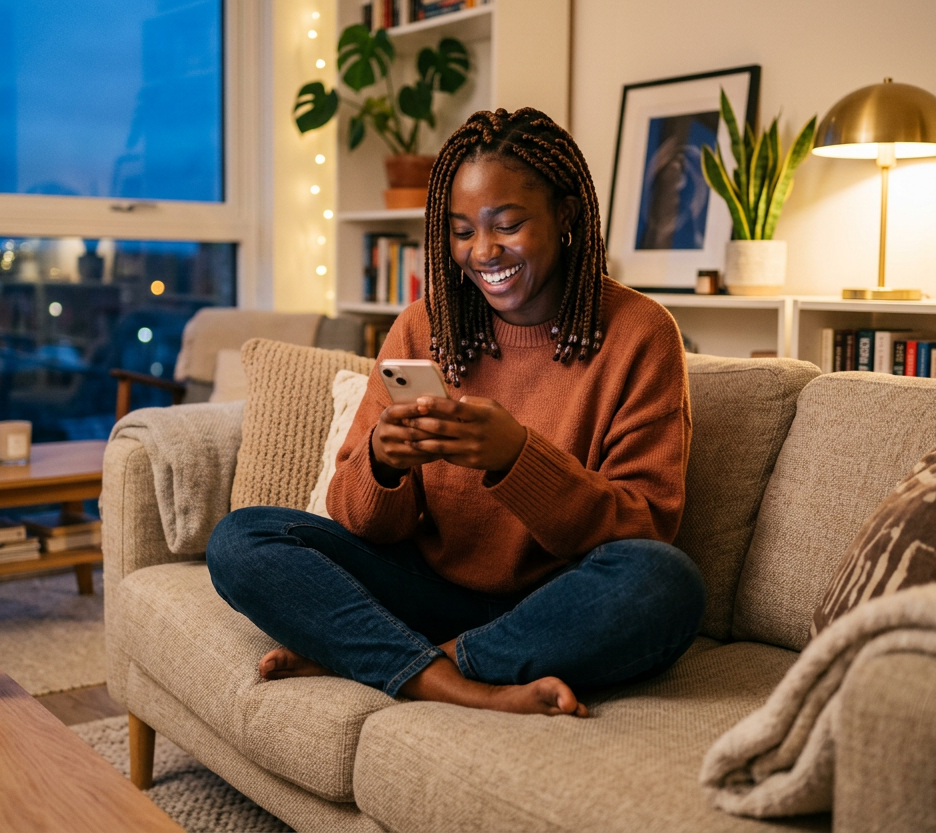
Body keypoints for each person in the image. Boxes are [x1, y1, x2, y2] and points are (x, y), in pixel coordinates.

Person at [207, 107, 705, 718]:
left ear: (567, 215)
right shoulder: (425, 326)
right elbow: (359, 522)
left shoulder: (640, 334)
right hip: (424, 591)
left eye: (508, 225)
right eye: (463, 231)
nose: (484, 251)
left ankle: (392, 659)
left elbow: (646, 526)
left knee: (665, 583)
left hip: (558, 604)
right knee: (242, 538)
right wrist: (383, 463)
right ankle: (454, 680)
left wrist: (517, 459)